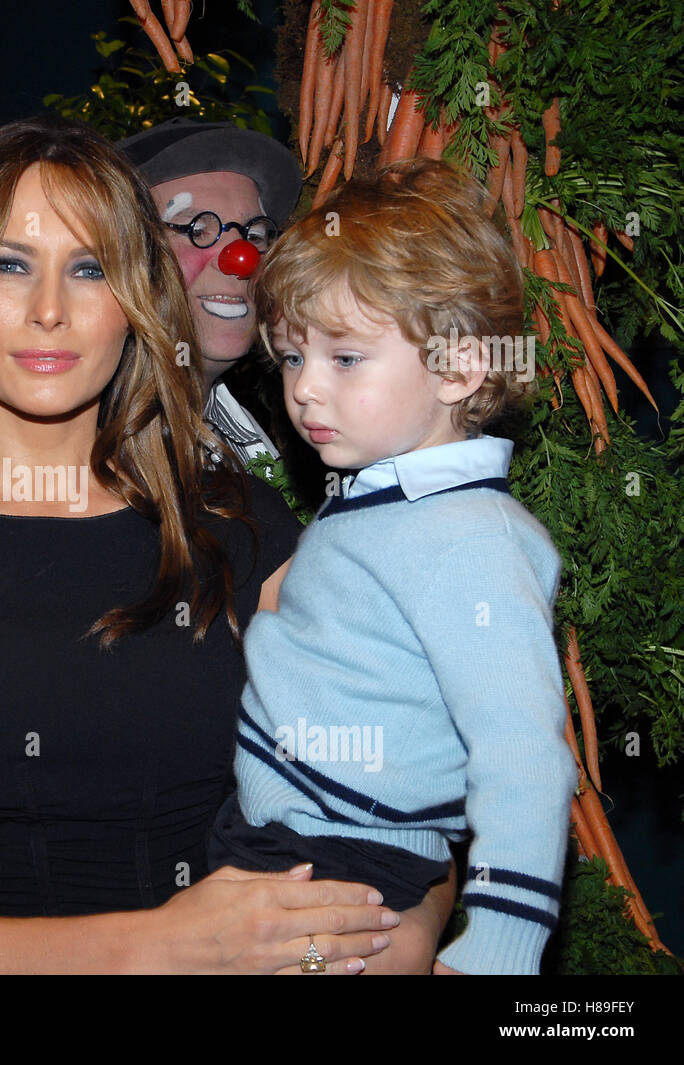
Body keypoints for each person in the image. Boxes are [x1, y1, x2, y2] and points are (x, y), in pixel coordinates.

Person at [0, 116, 451, 972]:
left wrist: (408, 938)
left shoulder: (245, 534)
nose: (49, 310)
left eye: (89, 269)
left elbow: (398, 807)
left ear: (136, 300)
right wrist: (161, 946)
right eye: (10, 263)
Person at [212, 160, 577, 974]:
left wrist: (498, 950)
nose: (305, 389)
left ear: (457, 366)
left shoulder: (471, 539)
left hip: (348, 862)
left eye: (345, 358)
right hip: (284, 836)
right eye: (293, 356)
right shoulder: (385, 499)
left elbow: (524, 758)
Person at [117, 118, 302, 472]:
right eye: (197, 228)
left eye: (256, 233)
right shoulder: (87, 450)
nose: (240, 259)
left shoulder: (274, 429)